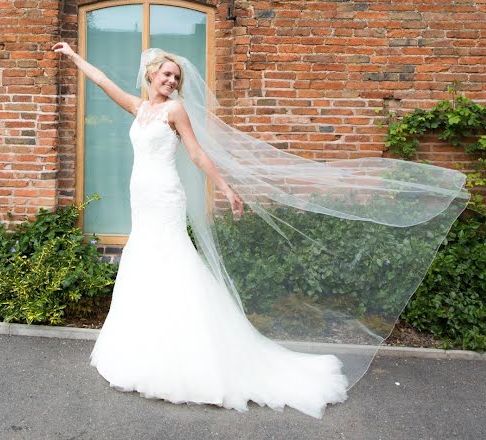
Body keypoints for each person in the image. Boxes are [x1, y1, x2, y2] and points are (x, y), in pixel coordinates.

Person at [52, 41, 349, 418]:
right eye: (166, 75)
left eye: (176, 77)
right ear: (150, 76)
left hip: (165, 198)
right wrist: (74, 56)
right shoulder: (139, 108)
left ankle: (192, 358)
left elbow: (195, 152)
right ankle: (147, 350)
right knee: (145, 267)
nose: (172, 81)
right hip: (141, 201)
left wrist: (225, 187)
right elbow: (103, 80)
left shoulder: (175, 111)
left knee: (173, 265)